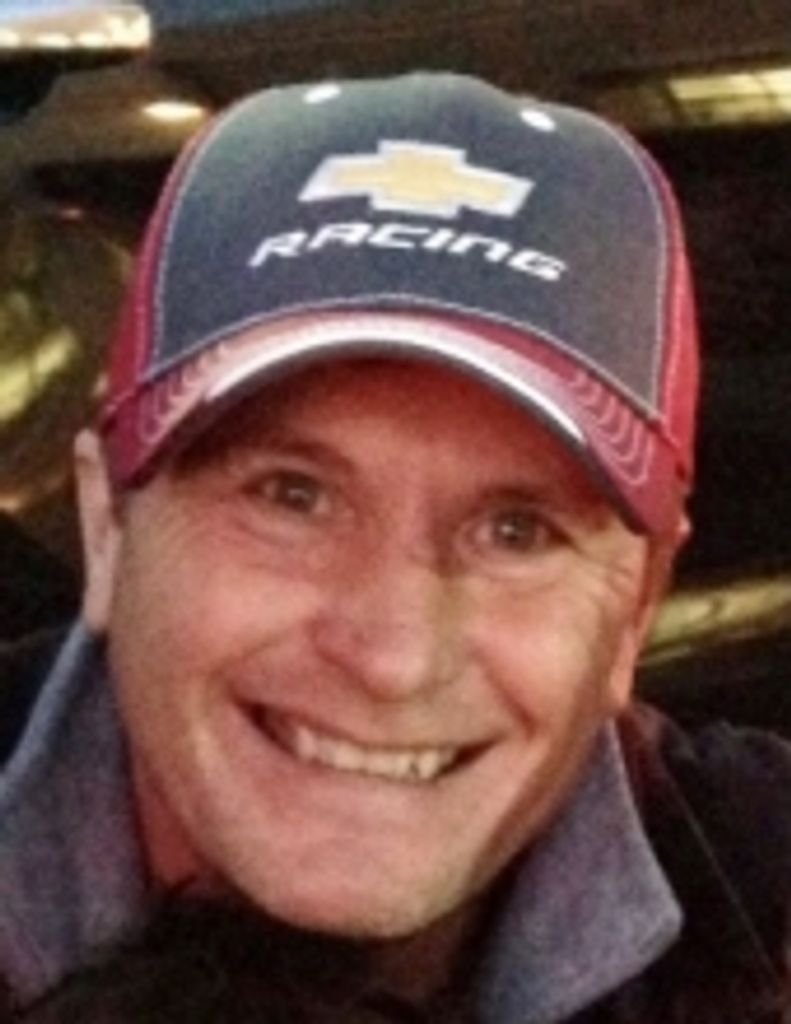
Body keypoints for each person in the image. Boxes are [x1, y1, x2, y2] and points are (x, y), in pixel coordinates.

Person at [0, 72, 788, 1023]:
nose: (394, 658)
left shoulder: (762, 906)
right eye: (292, 496)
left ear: (636, 608)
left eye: (516, 532)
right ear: (108, 528)